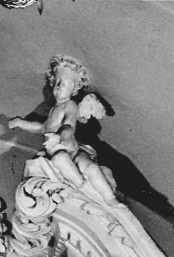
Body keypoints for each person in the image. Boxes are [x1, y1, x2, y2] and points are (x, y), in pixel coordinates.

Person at [8, 55, 117, 205]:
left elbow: (69, 127)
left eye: (64, 83)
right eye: (57, 82)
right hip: (56, 151)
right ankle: (78, 183)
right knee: (59, 159)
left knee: (90, 168)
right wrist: (21, 123)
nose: (59, 86)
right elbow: (42, 128)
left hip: (71, 150)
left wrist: (58, 136)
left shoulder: (70, 105)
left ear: (75, 88)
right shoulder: (54, 109)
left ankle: (109, 198)